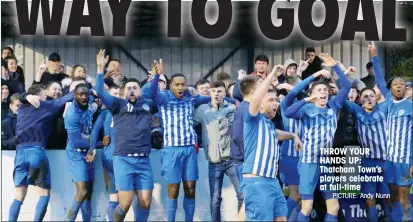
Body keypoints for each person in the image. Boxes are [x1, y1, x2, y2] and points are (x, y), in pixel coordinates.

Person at [149, 60, 236, 222]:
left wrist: (234, 102)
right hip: (171, 150)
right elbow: (152, 94)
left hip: (189, 150)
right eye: (177, 85)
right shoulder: (163, 99)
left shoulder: (191, 99)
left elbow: (212, 98)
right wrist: (157, 75)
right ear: (171, 86)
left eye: (183, 84)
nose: (181, 88)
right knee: (173, 189)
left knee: (190, 189)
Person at [285, 53, 352, 221]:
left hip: (326, 163)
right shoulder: (305, 109)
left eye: (325, 90)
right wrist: (307, 99)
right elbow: (288, 111)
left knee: (334, 206)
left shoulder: (334, 105)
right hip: (308, 162)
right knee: (306, 207)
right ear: (312, 93)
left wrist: (335, 65)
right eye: (319, 90)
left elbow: (346, 85)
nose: (323, 92)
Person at [95, 50, 154, 222]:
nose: (132, 91)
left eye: (135, 88)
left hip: (143, 160)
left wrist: (156, 77)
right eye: (128, 88)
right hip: (123, 160)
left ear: (140, 92)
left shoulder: (147, 106)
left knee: (145, 202)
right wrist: (100, 69)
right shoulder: (117, 105)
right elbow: (99, 90)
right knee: (125, 203)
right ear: (123, 93)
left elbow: (156, 94)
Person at [241, 65, 302, 221]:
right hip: (257, 182)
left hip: (273, 182)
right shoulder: (253, 117)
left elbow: (277, 134)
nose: (275, 103)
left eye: (276, 100)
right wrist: (273, 74)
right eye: (270, 100)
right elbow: (255, 100)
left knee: (281, 219)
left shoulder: (268, 124)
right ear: (259, 103)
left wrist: (293, 135)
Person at [9, 84, 75, 222]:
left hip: (20, 153)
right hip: (36, 151)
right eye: (44, 94)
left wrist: (26, 96)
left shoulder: (21, 109)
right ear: (39, 95)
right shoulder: (45, 106)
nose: (47, 96)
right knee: (44, 195)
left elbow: (18, 96)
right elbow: (67, 98)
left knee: (18, 197)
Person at [278, 69, 331, 221]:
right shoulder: (287, 103)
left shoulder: (311, 107)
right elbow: (295, 91)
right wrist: (314, 75)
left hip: (304, 157)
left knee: (302, 199)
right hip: (290, 155)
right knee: (297, 195)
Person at [369, 41, 412, 221]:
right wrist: (374, 56)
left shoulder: (410, 106)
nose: (399, 86)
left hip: (404, 160)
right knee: (392, 197)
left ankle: (408, 219)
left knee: (403, 198)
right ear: (391, 88)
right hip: (389, 160)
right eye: (396, 84)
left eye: (402, 84)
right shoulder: (387, 103)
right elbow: (379, 78)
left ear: (405, 88)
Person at [193, 81, 243, 222]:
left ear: (225, 93)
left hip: (232, 160)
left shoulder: (233, 108)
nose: (216, 94)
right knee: (215, 199)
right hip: (214, 162)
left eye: (219, 91)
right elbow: (188, 123)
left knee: (242, 195)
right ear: (209, 93)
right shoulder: (202, 110)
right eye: (213, 91)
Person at [342, 87, 391, 221]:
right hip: (367, 162)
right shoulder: (357, 111)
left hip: (386, 162)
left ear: (376, 98)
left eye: (371, 96)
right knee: (370, 200)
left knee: (388, 199)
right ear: (360, 99)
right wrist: (340, 72)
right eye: (365, 96)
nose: (369, 99)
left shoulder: (384, 108)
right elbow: (342, 98)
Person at [64, 83, 98, 222]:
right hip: (76, 153)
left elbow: (96, 94)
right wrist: (98, 143)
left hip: (89, 152)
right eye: (80, 94)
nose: (84, 97)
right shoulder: (71, 115)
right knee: (82, 190)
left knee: (88, 193)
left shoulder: (89, 101)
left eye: (86, 94)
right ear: (75, 96)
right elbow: (77, 141)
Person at [90, 85, 120, 221]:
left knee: (122, 197)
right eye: (113, 94)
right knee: (116, 196)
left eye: (119, 93)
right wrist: (96, 145)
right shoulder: (105, 114)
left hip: (121, 157)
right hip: (112, 158)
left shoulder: (128, 112)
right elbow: (94, 133)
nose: (116, 97)